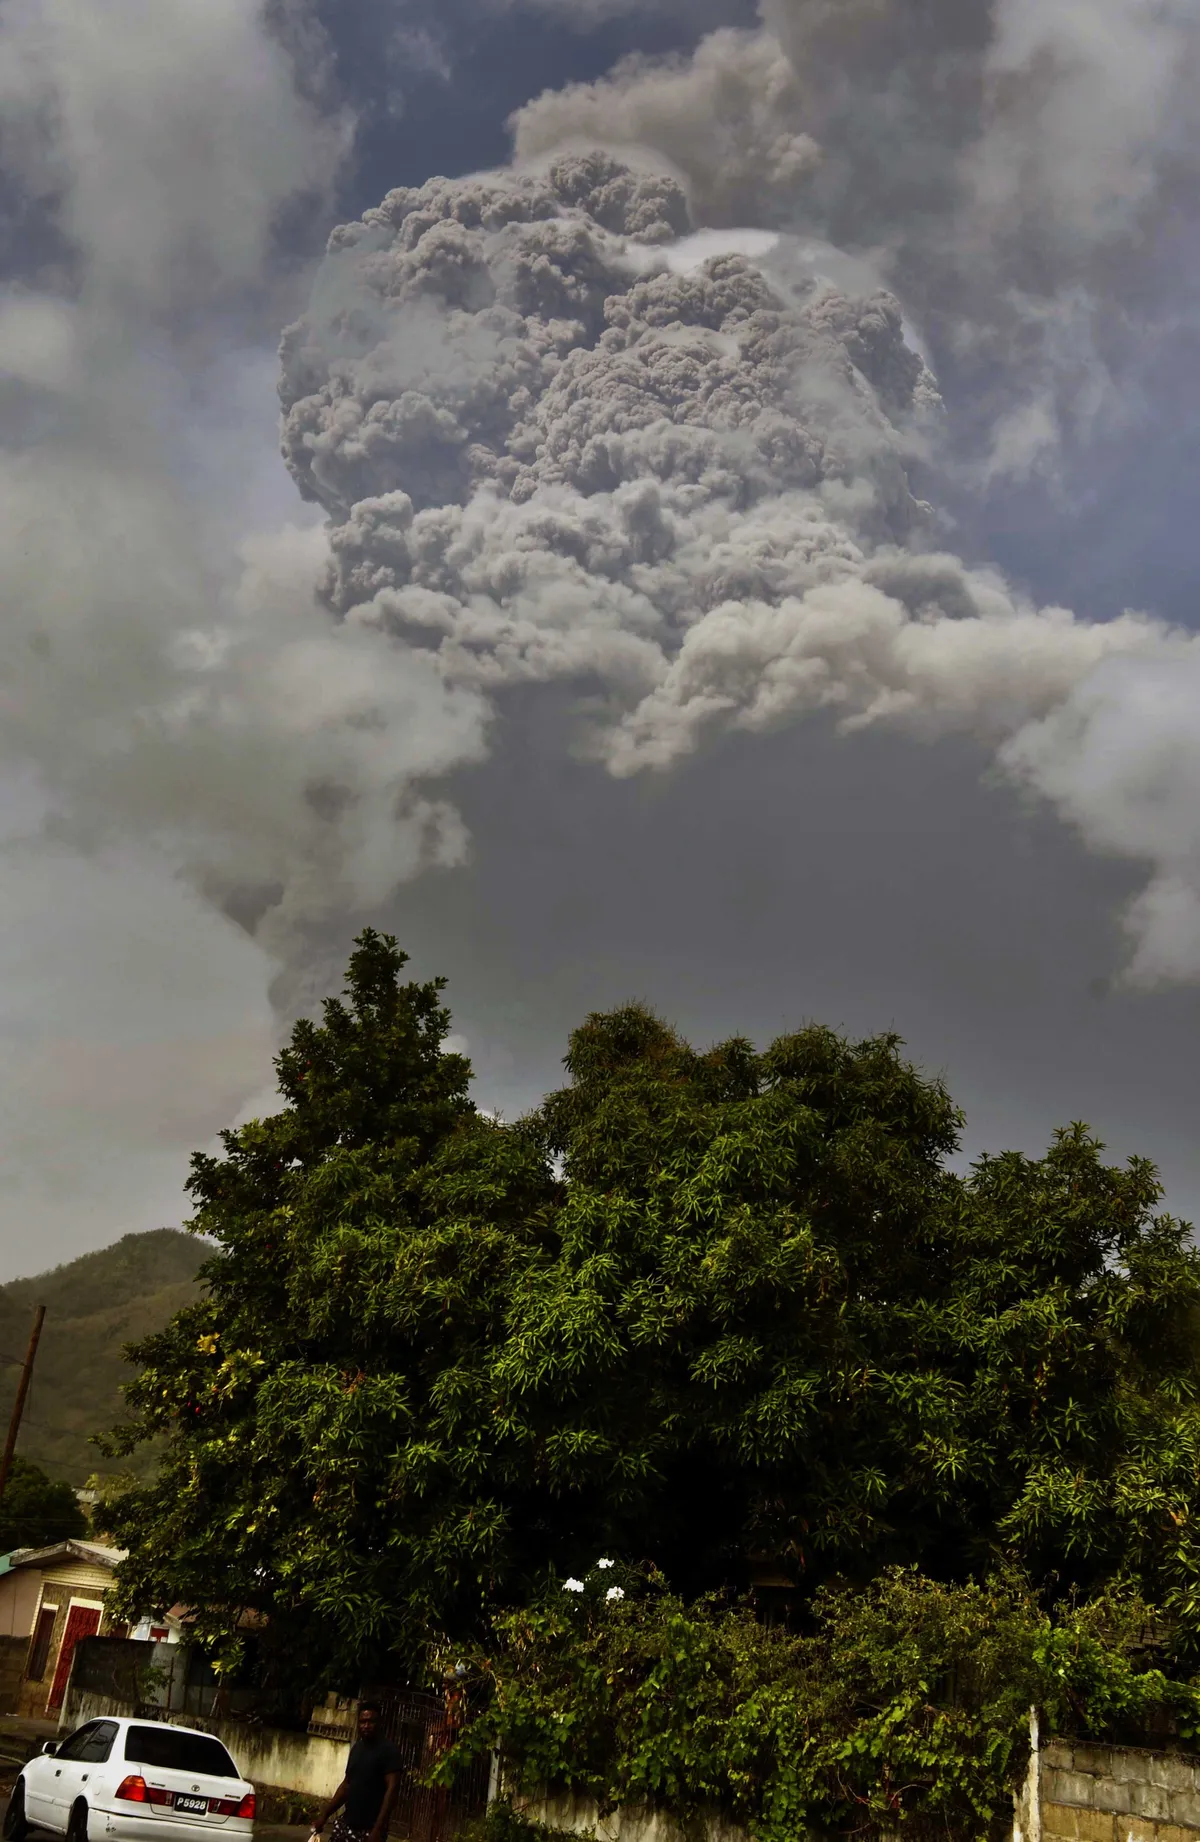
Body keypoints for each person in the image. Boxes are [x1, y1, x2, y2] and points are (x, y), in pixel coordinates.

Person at [313, 1701, 404, 1842]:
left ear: (379, 1723)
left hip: (370, 1829)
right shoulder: (356, 1749)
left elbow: (392, 1791)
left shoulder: (389, 1751)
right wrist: (324, 1815)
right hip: (347, 1824)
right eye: (362, 1722)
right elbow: (346, 1785)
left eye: (370, 1722)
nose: (366, 1726)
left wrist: (378, 1829)